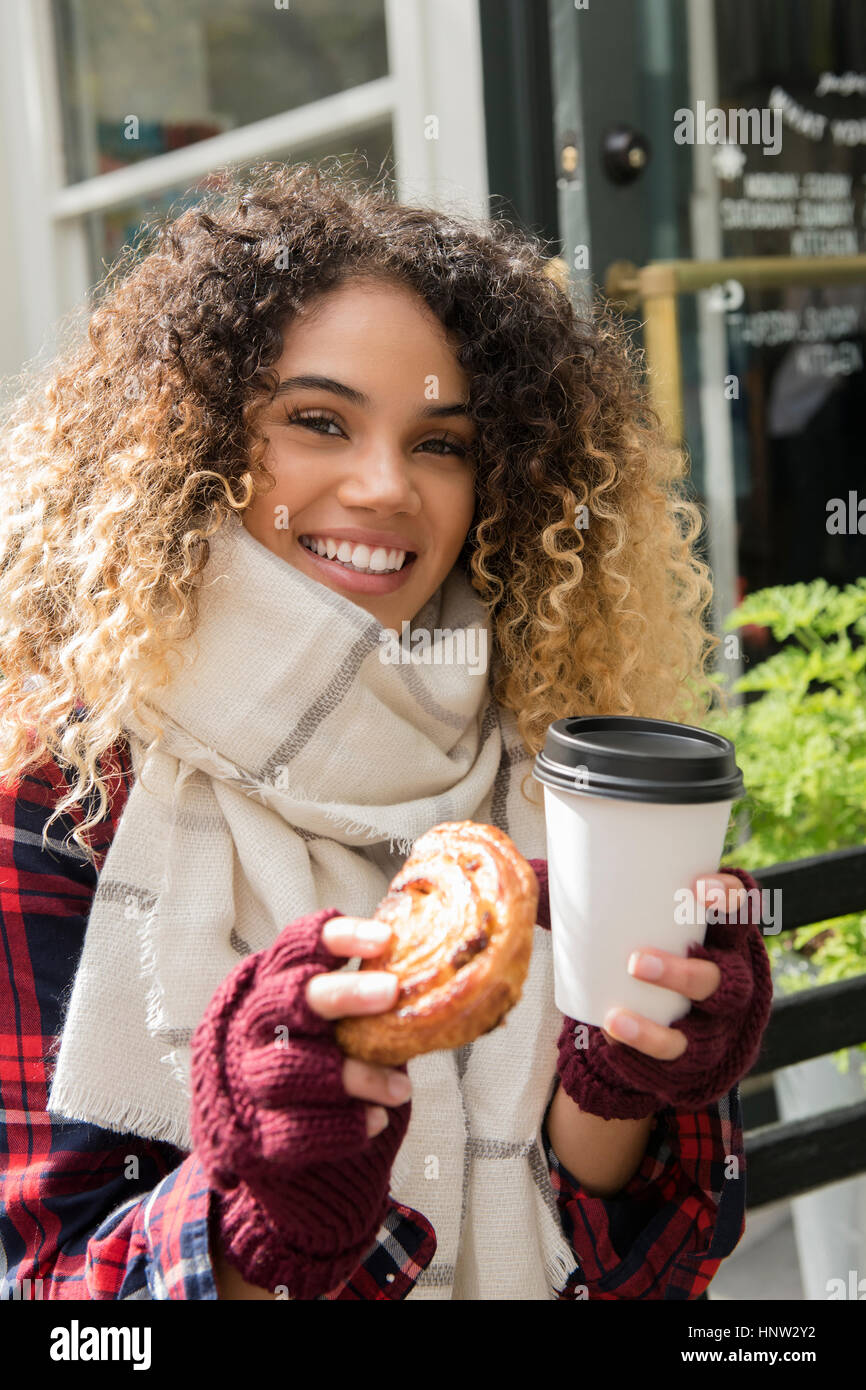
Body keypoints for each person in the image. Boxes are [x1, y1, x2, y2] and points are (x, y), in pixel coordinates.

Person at [0, 160, 771, 1301]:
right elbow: (56, 1301)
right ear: (194, 439)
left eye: (440, 442)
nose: (383, 486)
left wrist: (628, 1083)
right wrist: (273, 1214)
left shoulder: (541, 751)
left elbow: (652, 1279)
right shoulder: (65, 789)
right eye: (317, 421)